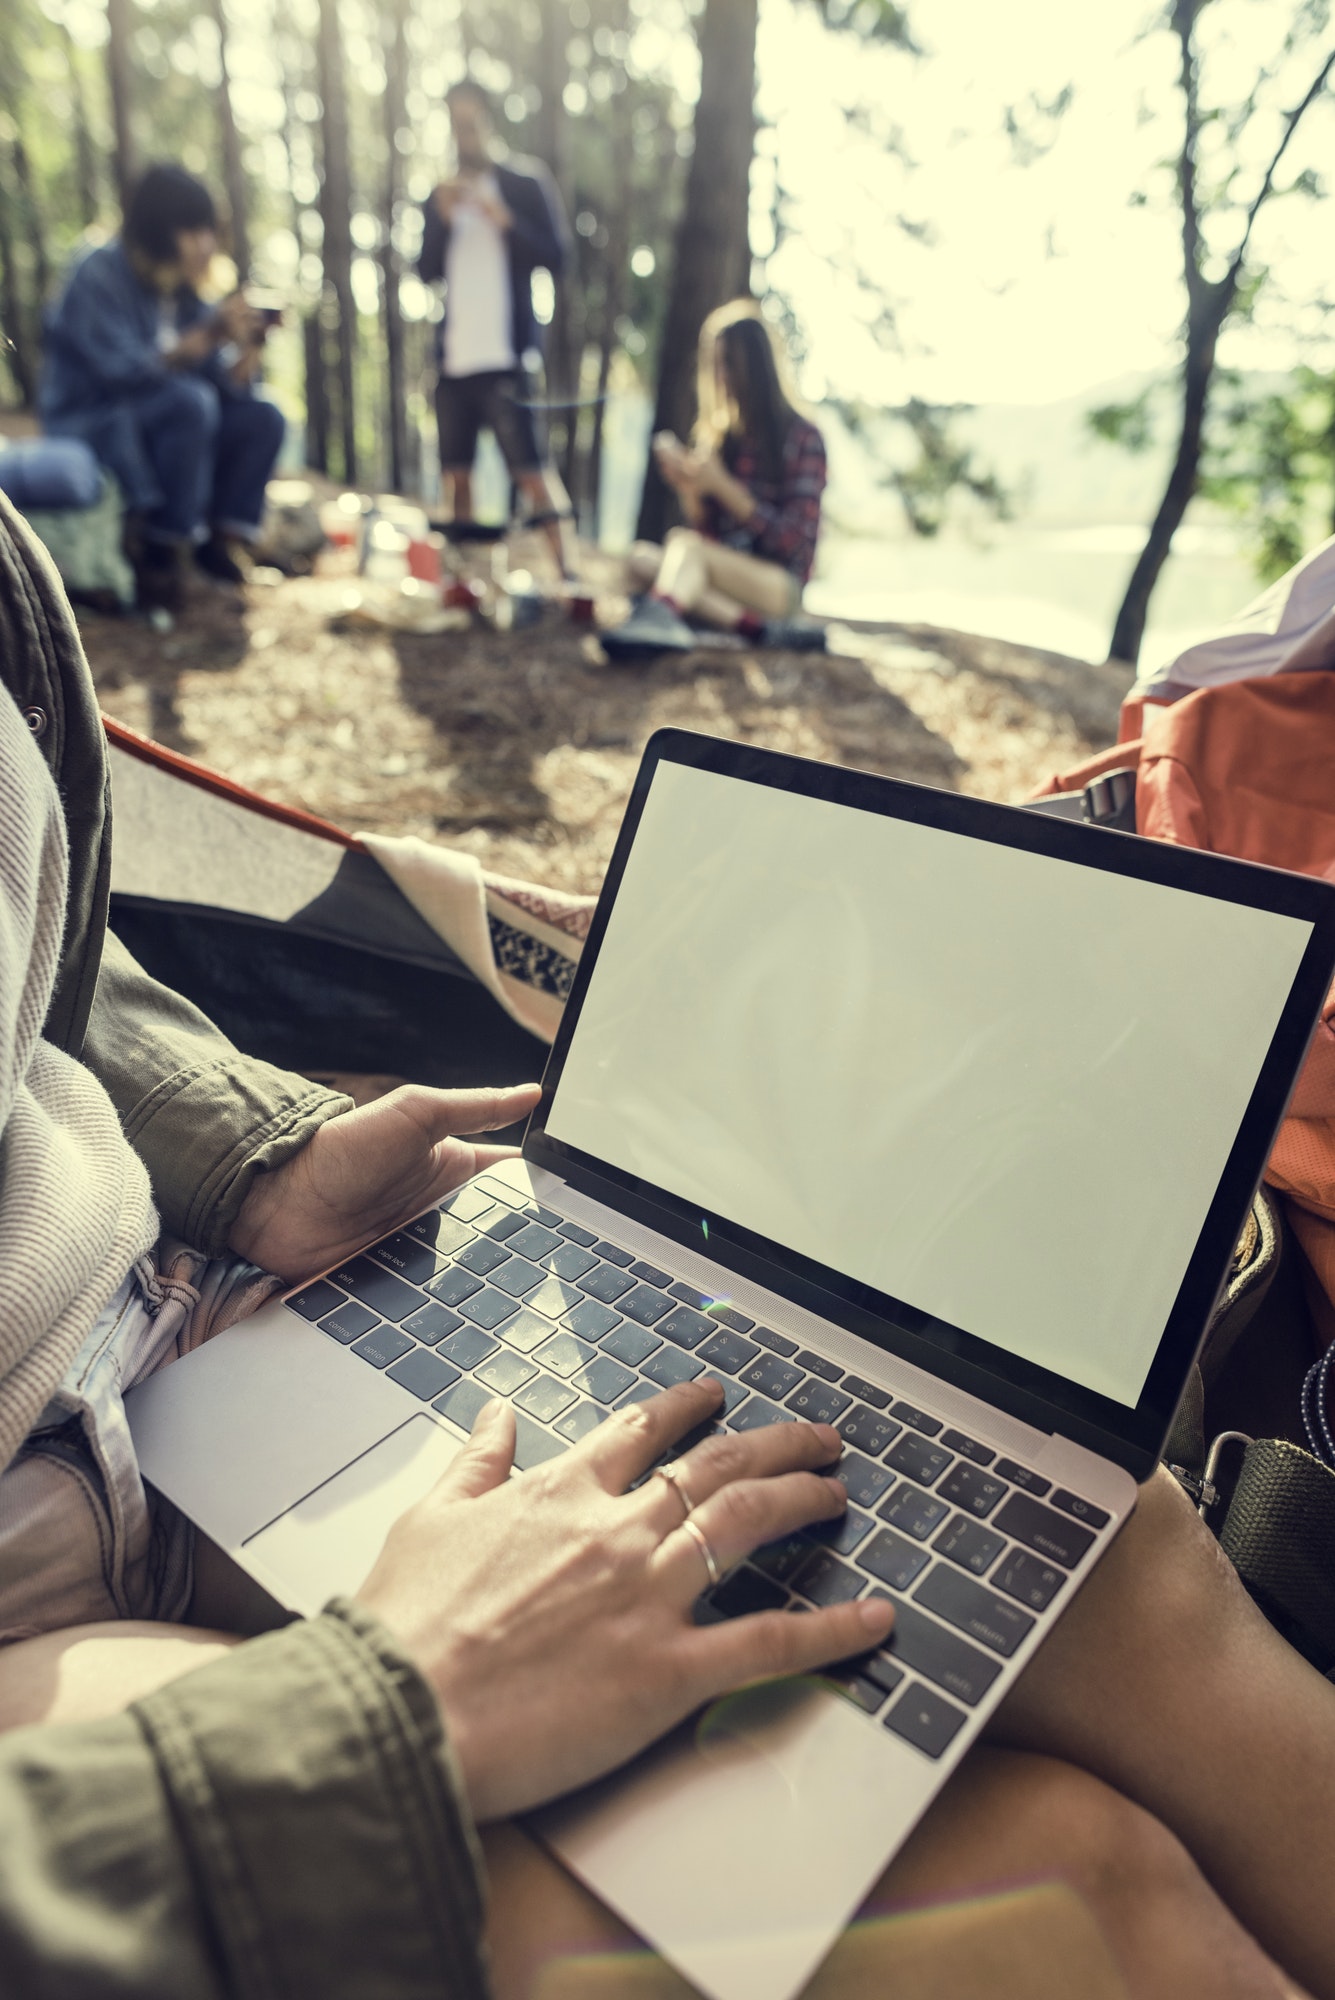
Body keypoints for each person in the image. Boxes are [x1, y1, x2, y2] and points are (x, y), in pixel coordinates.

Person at [1, 492, 1333, 1996]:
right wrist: (391, 1707)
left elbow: (57, 954)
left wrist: (251, 1165)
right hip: (52, 1654)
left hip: (184, 1308)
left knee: (1101, 1543)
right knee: (1068, 1891)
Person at [39, 163, 285, 613]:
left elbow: (225, 390)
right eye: (191, 231)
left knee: (263, 415)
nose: (205, 244)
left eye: (208, 230)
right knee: (189, 404)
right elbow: (120, 373)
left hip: (169, 420)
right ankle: (165, 557)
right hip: (95, 420)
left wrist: (248, 348)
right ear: (156, 232)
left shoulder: (187, 289)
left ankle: (217, 548)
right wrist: (204, 338)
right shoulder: (97, 271)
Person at [605, 301, 828, 664]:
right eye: (715, 365)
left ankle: (661, 614)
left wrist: (724, 487)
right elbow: (709, 538)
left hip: (778, 585)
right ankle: (753, 628)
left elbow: (794, 540)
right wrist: (691, 489)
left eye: (728, 364)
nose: (719, 376)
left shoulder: (803, 437)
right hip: (724, 577)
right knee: (642, 558)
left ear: (755, 368)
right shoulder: (721, 438)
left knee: (683, 550)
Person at [418, 79, 576, 581]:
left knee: (531, 469)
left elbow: (557, 256)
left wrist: (503, 218)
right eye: (454, 124)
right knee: (456, 474)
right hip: (455, 359)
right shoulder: (441, 195)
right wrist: (443, 221)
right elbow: (424, 272)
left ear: (487, 119)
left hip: (506, 356)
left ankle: (567, 571)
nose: (462, 133)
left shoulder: (523, 184)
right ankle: (465, 579)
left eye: (470, 121)